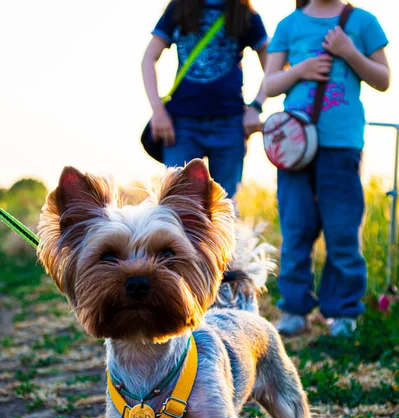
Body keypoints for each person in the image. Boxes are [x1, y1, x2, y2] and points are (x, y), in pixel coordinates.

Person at [264, 0, 390, 337]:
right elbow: (270, 84)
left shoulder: (363, 22)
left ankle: (343, 313)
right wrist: (299, 71)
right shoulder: (289, 25)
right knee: (295, 227)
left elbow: (383, 79)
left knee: (343, 230)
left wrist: (349, 52)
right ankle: (294, 309)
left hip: (341, 144)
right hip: (295, 145)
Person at [142, 0, 268, 201]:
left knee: (224, 208)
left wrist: (256, 107)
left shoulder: (244, 13)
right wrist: (158, 111)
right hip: (181, 125)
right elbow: (149, 58)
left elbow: (272, 65)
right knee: (175, 203)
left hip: (230, 124)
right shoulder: (179, 7)